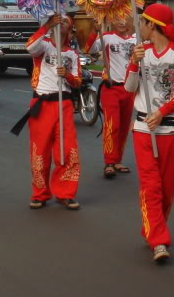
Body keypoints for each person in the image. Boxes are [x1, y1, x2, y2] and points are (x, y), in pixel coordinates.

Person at [125, 3, 174, 262]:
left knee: (166, 189)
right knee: (151, 187)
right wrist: (133, 63)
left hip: (170, 130)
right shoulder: (141, 53)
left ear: (152, 24)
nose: (139, 27)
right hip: (143, 129)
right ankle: (159, 241)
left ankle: (153, 228)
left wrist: (163, 111)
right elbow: (130, 88)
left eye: (141, 22)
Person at [19, 13, 82, 209]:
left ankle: (65, 192)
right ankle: (40, 193)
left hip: (64, 105)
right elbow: (29, 47)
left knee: (68, 150)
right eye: (58, 20)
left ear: (70, 29)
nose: (60, 23)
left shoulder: (72, 54)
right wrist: (47, 25)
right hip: (42, 104)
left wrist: (68, 76)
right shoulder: (43, 45)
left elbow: (78, 81)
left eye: (65, 21)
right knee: (40, 152)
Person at [86, 16, 137, 178]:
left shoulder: (137, 40)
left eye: (125, 18)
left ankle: (117, 160)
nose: (122, 21)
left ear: (130, 21)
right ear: (112, 21)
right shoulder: (106, 37)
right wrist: (95, 30)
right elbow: (89, 48)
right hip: (111, 88)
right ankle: (109, 161)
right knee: (112, 125)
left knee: (123, 127)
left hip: (130, 89)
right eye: (118, 19)